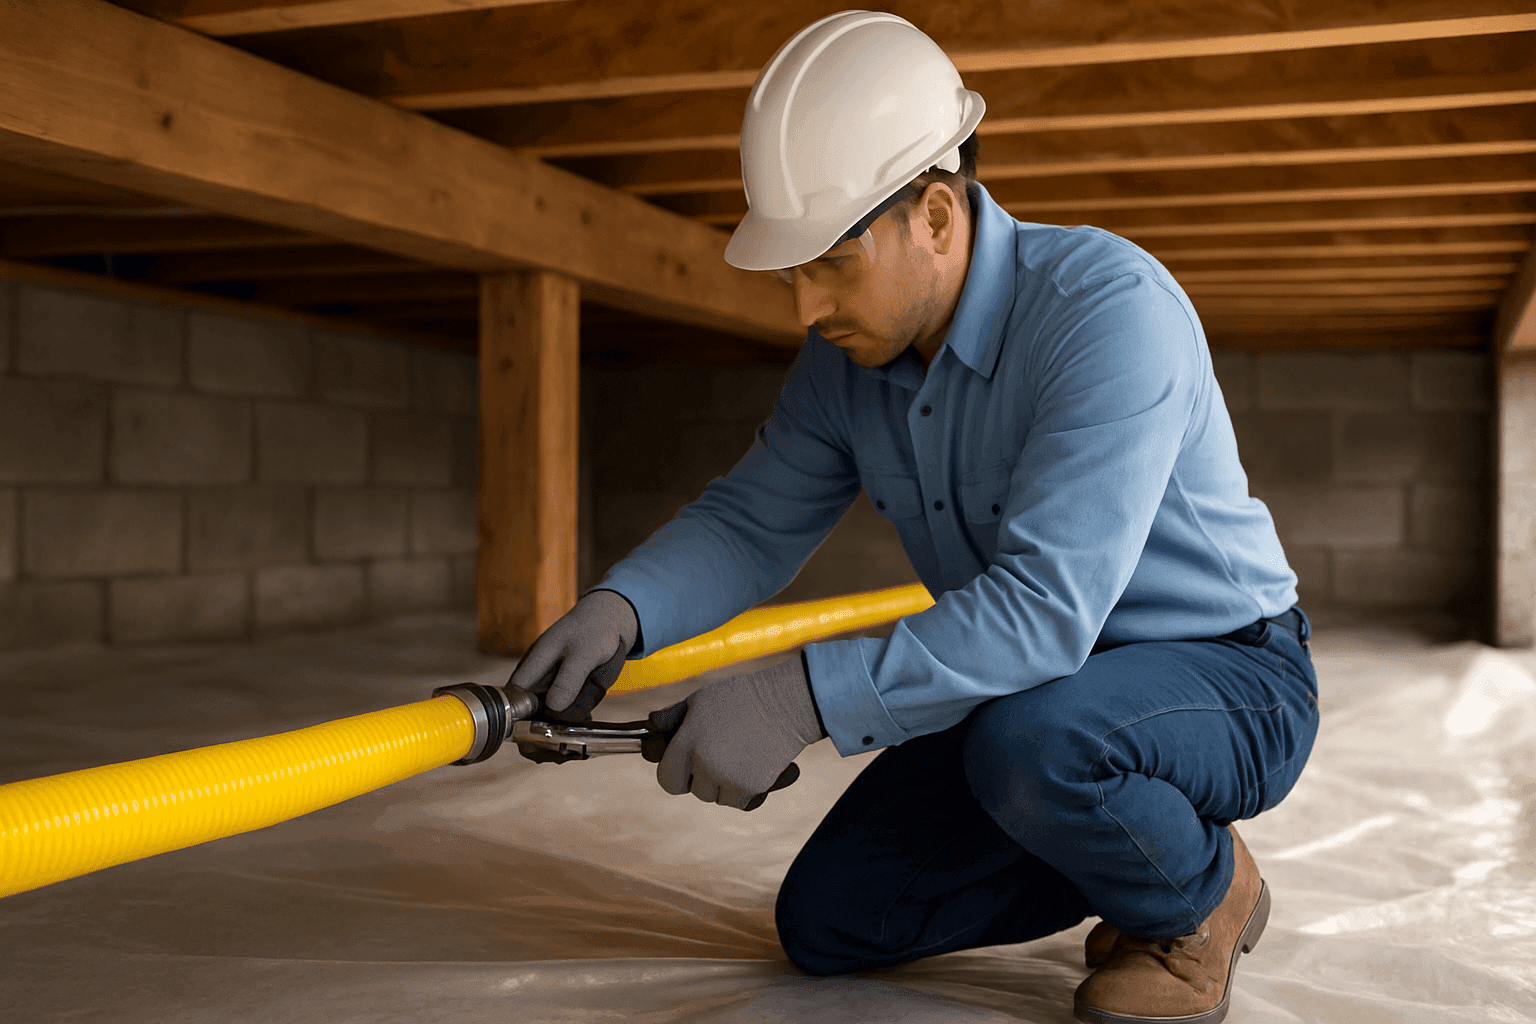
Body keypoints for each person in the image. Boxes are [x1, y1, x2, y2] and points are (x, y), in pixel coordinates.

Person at [509, 11, 1319, 1024]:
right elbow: (753, 521)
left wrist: (795, 698)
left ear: (934, 216)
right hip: (1043, 697)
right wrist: (621, 609)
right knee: (835, 920)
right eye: (788, 272)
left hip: (1229, 673)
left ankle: (1198, 895)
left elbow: (1043, 613)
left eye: (829, 263)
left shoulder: (1107, 310)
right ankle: (1136, 852)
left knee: (1034, 746)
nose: (803, 307)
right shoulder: (845, 364)